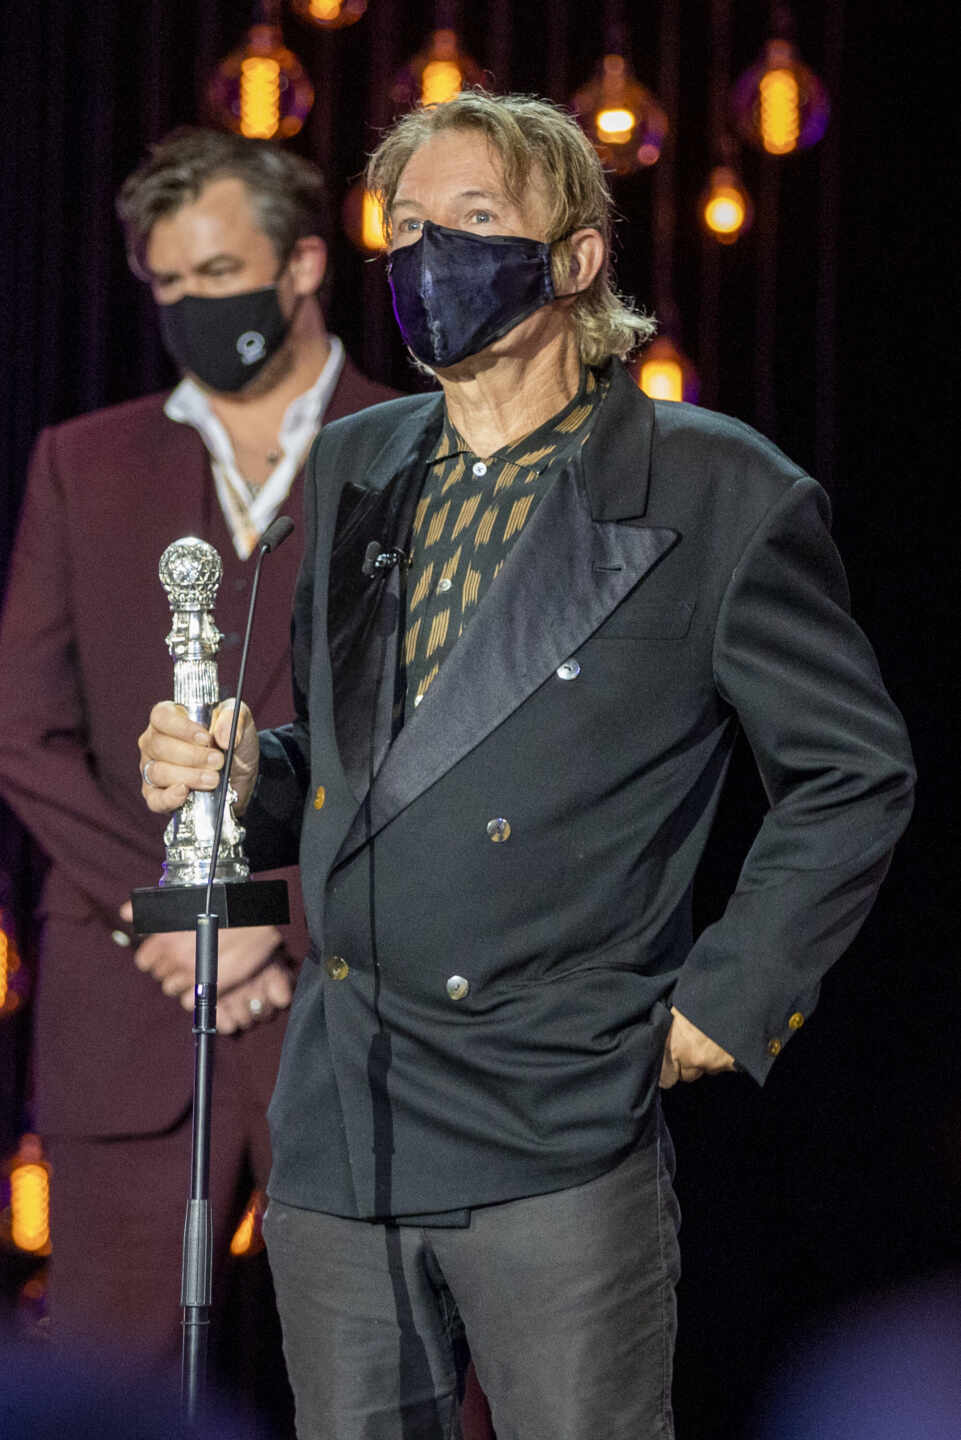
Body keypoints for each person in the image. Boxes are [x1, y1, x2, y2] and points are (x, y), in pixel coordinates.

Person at [137, 91, 915, 1440]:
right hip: (347, 1111)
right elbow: (355, 757)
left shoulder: (715, 488)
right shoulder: (358, 465)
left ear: (574, 257)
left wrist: (727, 1003)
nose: (429, 255)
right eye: (408, 228)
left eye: (474, 221)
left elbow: (853, 773)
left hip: (554, 1114)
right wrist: (236, 773)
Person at [0, 128, 398, 1406]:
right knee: (109, 1385)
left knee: (398, 1381)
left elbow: (440, 735)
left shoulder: (416, 448)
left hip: (353, 1003)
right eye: (168, 285)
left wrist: (270, 918)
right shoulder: (85, 461)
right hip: (132, 996)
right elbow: (25, 730)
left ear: (302, 266)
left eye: (220, 270)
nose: (193, 305)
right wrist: (177, 917)